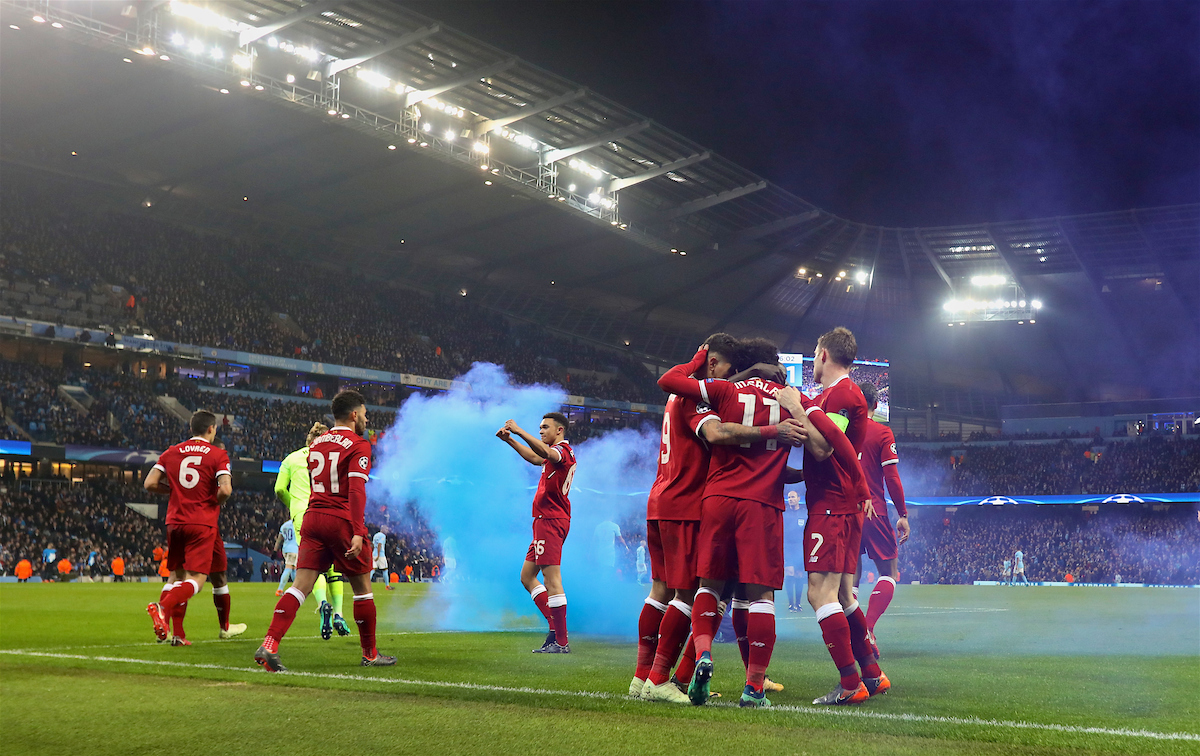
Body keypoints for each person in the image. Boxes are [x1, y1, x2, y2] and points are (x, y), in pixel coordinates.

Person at [658, 338, 858, 708]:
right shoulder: (788, 396)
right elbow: (824, 443)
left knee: (710, 587)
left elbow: (670, 384)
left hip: (717, 499)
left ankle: (702, 654)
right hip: (764, 504)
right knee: (760, 595)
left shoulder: (724, 390)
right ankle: (753, 687)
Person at [635, 332, 806, 705]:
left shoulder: (711, 394)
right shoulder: (702, 395)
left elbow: (752, 450)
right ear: (714, 363)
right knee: (705, 592)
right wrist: (778, 429)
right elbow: (717, 433)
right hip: (693, 501)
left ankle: (649, 676)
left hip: (680, 497)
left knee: (683, 589)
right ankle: (668, 677)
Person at [779, 326, 885, 705]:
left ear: (823, 353)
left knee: (818, 593)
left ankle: (849, 681)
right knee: (842, 593)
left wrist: (796, 406)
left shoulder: (842, 394)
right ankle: (872, 673)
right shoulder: (838, 394)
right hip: (841, 504)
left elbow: (824, 448)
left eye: (814, 351)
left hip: (832, 504)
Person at [255, 390, 395, 671]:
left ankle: (269, 644)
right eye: (365, 413)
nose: (367, 419)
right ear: (354, 415)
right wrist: (357, 530)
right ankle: (370, 653)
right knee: (362, 588)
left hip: (312, 517)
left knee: (300, 586)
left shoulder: (317, 443)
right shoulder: (358, 445)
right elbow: (355, 490)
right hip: (340, 518)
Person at [144, 410, 233, 643]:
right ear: (211, 429)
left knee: (175, 576)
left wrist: (171, 491)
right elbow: (225, 490)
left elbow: (150, 483)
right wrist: (211, 501)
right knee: (198, 579)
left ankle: (178, 634)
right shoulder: (217, 454)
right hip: (200, 522)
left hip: (174, 521)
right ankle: (162, 609)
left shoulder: (171, 452)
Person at [496, 413, 576, 654]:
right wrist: (510, 440)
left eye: (545, 427)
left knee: (552, 580)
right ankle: (554, 629)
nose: (541, 431)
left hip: (552, 520)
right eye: (539, 428)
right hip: (544, 521)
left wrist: (519, 430)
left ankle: (561, 642)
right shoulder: (551, 455)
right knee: (527, 577)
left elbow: (546, 453)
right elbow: (534, 456)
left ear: (559, 430)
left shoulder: (562, 451)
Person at [275, 422, 350, 640]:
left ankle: (322, 603)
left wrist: (294, 505)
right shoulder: (331, 457)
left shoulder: (291, 458)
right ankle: (339, 614)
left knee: (311, 565)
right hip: (328, 513)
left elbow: (279, 488)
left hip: (303, 516)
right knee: (333, 568)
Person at [855, 382, 910, 637]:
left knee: (849, 579)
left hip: (844, 513)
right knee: (889, 571)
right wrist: (903, 514)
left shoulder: (840, 431)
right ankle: (867, 628)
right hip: (873, 510)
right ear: (876, 406)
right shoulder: (881, 432)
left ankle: (852, 634)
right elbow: (892, 478)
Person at [783, 490, 806, 612]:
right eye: (789, 497)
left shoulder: (804, 513)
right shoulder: (784, 513)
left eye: (793, 497)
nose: (790, 499)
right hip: (788, 547)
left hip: (800, 548)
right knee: (789, 572)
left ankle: (798, 603)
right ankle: (791, 604)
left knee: (799, 574)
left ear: (798, 498)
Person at [275, 518, 298, 596]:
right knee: (288, 568)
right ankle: (280, 589)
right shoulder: (297, 524)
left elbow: (279, 539)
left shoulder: (284, 525)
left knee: (294, 568)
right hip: (294, 549)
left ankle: (296, 589)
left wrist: (275, 550)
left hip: (286, 548)